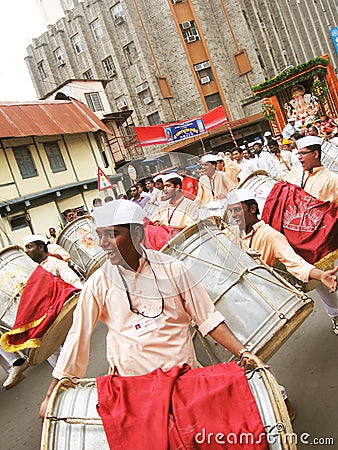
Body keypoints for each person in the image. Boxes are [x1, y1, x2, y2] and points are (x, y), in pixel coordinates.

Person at [40, 200, 260, 419]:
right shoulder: (98, 283)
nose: (103, 243)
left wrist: (244, 353)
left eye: (111, 234)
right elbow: (78, 336)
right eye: (100, 235)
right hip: (135, 391)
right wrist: (53, 392)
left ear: (136, 234)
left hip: (185, 382)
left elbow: (209, 319)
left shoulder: (173, 268)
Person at [226, 189, 338, 335]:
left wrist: (321, 275)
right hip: (249, 288)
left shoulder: (269, 234)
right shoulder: (232, 233)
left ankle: (335, 315)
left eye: (237, 210)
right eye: (231, 211)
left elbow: (295, 262)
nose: (233, 215)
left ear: (252, 209)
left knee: (320, 286)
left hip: (274, 282)